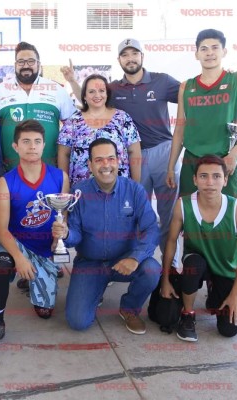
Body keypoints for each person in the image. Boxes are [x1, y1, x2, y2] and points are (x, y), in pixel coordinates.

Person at [61, 39, 181, 269]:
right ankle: (126, 260)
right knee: (130, 215)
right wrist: (73, 81)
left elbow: (188, 96)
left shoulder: (162, 80)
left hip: (161, 152)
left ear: (142, 56)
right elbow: (90, 97)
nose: (130, 58)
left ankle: (169, 266)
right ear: (119, 60)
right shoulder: (114, 88)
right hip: (126, 161)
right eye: (125, 55)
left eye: (134, 53)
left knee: (166, 214)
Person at [0, 119, 69, 354]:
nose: (32, 146)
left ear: (44, 145)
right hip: (15, 242)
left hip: (44, 247)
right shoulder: (6, 182)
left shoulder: (60, 177)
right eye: (26, 141)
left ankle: (33, 278)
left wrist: (60, 235)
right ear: (15, 146)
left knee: (46, 312)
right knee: (0, 268)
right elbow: (1, 228)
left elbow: (63, 217)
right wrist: (18, 258)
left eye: (37, 141)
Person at [52, 138, 160, 334]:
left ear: (119, 161)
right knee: (78, 322)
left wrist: (135, 258)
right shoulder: (78, 193)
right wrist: (66, 234)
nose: (106, 165)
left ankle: (129, 308)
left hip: (124, 261)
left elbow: (151, 229)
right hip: (90, 263)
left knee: (152, 269)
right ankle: (94, 290)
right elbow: (75, 236)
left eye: (110, 158)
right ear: (90, 165)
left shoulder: (134, 190)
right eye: (99, 160)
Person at [155, 155, 237, 341]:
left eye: (216, 176)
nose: (209, 182)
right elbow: (171, 242)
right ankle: (188, 314)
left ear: (225, 180)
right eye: (203, 176)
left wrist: (235, 294)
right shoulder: (182, 205)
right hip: (196, 263)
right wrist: (166, 279)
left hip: (225, 269)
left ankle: (216, 289)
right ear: (195, 180)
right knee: (192, 266)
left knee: (228, 330)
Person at [166, 29, 237, 198]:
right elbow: (179, 129)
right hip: (192, 160)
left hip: (224, 159)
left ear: (224, 52)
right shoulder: (186, 86)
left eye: (215, 48)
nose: (209, 53)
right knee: (190, 214)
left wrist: (234, 153)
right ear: (196, 54)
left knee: (227, 215)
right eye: (204, 49)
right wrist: (171, 167)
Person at [0, 41, 75, 171]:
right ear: (15, 65)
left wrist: (63, 171)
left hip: (50, 173)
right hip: (9, 174)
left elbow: (72, 130)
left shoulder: (56, 90)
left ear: (39, 64)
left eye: (31, 61)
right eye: (21, 61)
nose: (26, 65)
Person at [57, 74, 141, 187]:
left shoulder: (122, 118)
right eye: (91, 91)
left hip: (119, 190)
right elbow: (63, 155)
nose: (97, 95)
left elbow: (134, 152)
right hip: (81, 192)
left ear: (107, 94)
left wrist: (135, 187)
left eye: (101, 90)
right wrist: (65, 189)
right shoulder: (73, 121)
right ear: (84, 96)